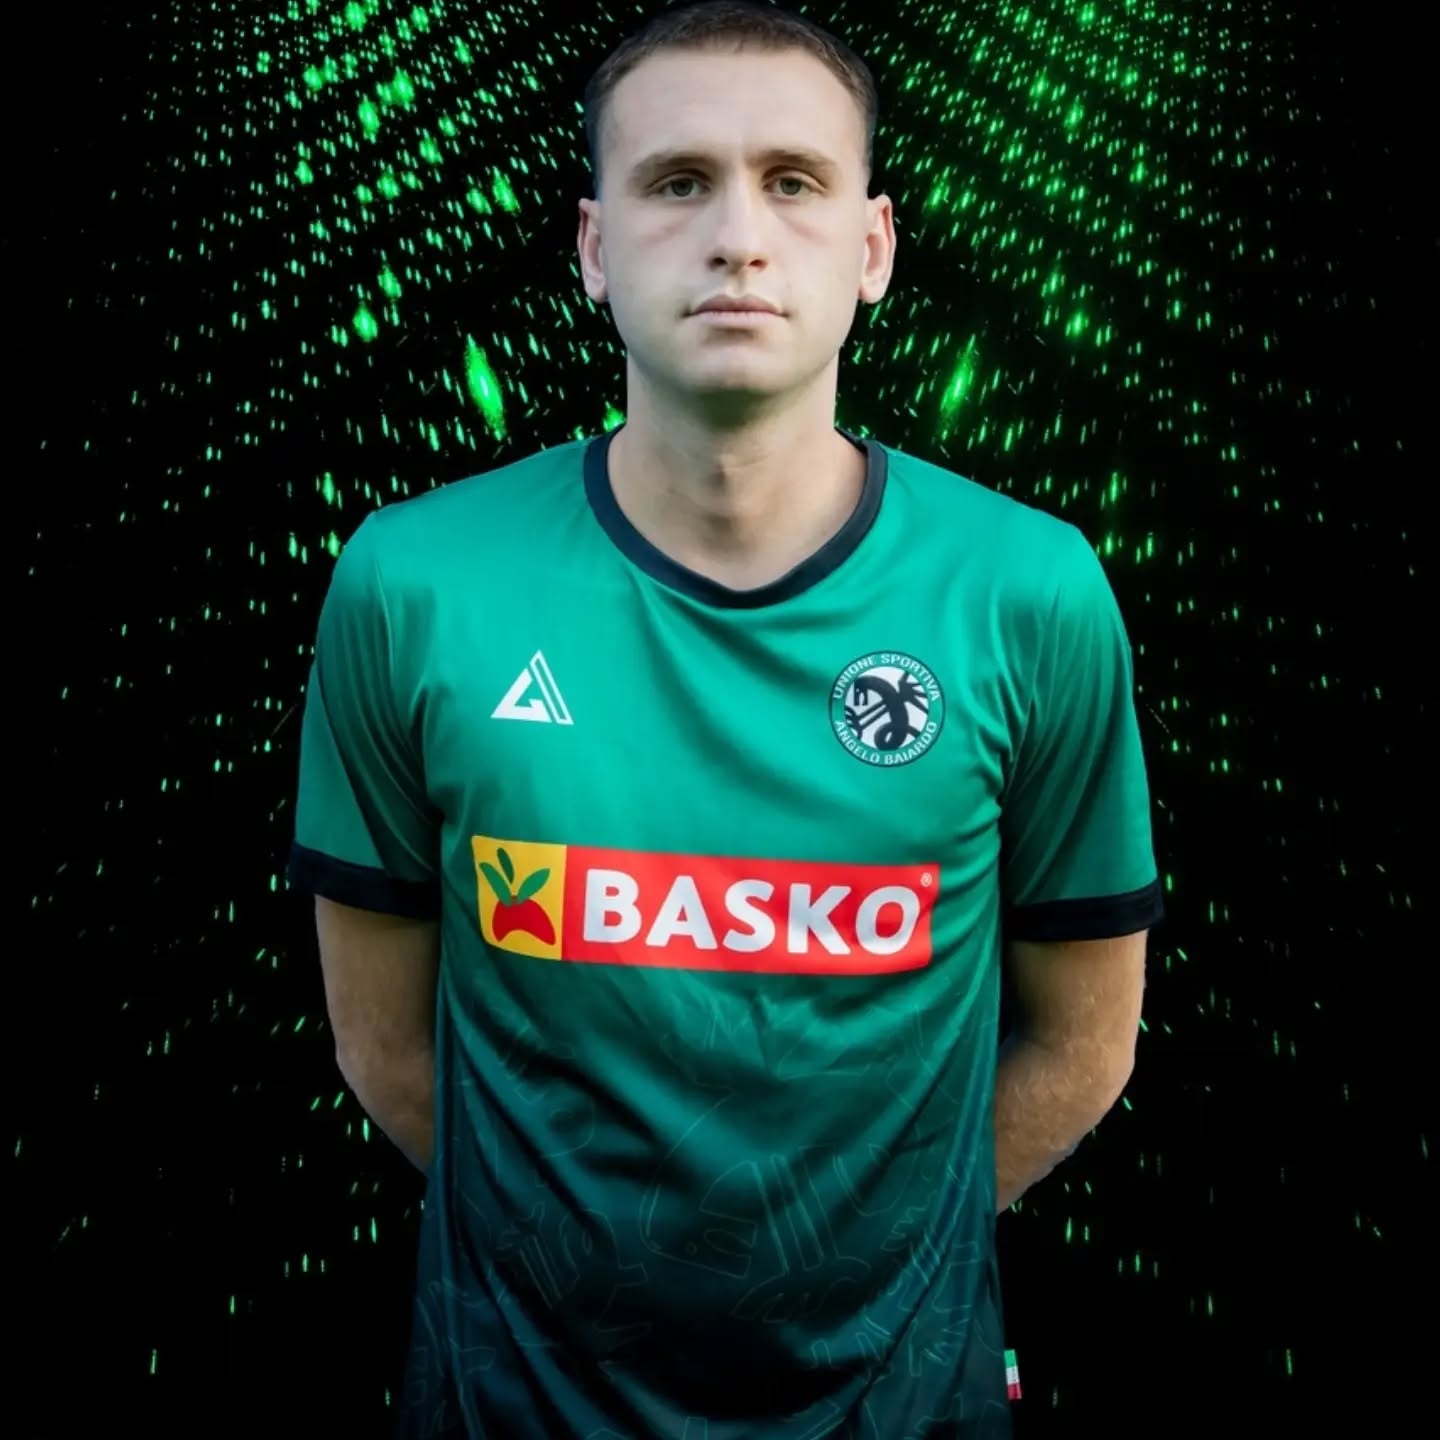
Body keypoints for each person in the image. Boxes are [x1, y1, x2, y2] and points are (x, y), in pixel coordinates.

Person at [286, 2, 1165, 1436]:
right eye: (678, 181)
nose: (739, 237)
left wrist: (859, 1265)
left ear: (872, 249)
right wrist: (591, 1278)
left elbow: (1086, 1042)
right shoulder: (414, 580)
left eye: (794, 181)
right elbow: (383, 1046)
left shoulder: (1030, 592)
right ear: (593, 248)